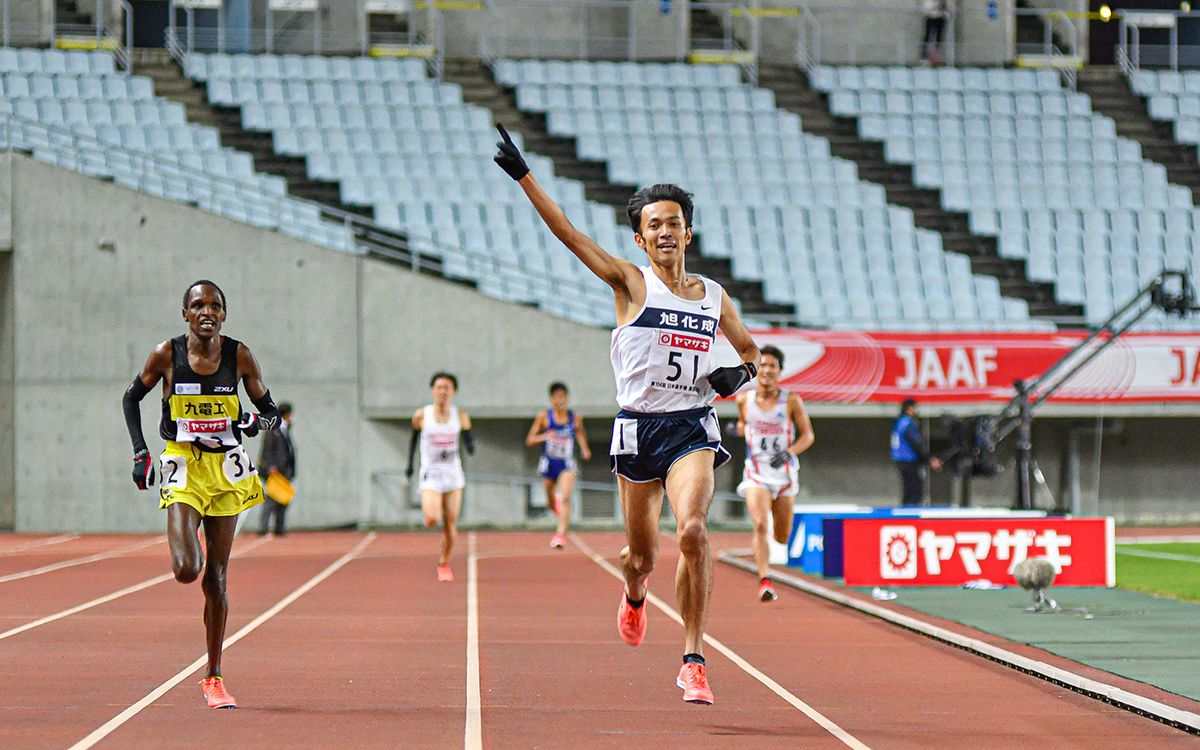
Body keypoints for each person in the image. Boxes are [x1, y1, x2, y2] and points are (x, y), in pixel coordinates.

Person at [494, 125, 761, 705]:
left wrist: (738, 376)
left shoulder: (714, 297)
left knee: (692, 530)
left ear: (689, 231)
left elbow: (750, 353)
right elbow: (569, 234)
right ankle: (635, 589)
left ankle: (693, 659)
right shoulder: (630, 283)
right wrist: (524, 177)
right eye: (653, 225)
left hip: (692, 425)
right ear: (640, 240)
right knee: (643, 555)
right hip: (639, 427)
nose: (664, 232)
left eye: (673, 222)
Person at [122, 280, 281, 710]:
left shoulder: (239, 356)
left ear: (224, 314)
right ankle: (186, 544)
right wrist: (141, 452)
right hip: (183, 465)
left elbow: (272, 415)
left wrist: (254, 424)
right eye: (197, 305)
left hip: (226, 469)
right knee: (187, 568)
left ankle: (213, 676)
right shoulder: (165, 354)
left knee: (217, 577)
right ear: (185, 314)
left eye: (214, 305)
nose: (206, 311)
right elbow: (130, 398)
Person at [735, 345, 814, 603]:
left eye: (772, 366)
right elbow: (742, 423)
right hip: (756, 473)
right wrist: (737, 429)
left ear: (780, 371)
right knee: (759, 524)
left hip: (784, 476)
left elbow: (808, 435)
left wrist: (790, 451)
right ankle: (764, 580)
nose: (767, 370)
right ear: (756, 369)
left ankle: (773, 552)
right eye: (763, 365)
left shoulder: (790, 400)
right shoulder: (743, 399)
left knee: (781, 536)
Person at [407, 372, 474, 582]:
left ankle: (443, 562)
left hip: (453, 475)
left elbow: (468, 438)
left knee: (451, 524)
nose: (443, 391)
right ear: (432, 390)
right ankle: (430, 515)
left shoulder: (460, 415)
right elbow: (413, 440)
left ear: (453, 391)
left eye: (447, 387)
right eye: (439, 387)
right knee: (433, 517)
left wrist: (470, 443)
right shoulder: (421, 415)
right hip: (432, 474)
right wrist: (409, 465)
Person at [525, 382, 592, 549]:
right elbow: (530, 439)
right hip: (548, 462)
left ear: (567, 399)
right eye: (556, 397)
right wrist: (545, 436)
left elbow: (580, 432)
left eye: (563, 397)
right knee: (549, 497)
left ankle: (560, 535)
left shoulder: (574, 417)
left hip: (566, 463)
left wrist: (584, 448)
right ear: (551, 399)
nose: (560, 401)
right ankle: (553, 503)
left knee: (566, 497)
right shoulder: (544, 417)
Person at [892, 398, 941, 506]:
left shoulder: (899, 422)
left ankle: (905, 511)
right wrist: (929, 458)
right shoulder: (907, 424)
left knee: (908, 489)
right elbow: (916, 444)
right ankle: (910, 515)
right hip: (908, 460)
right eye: (914, 408)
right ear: (909, 409)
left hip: (900, 460)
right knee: (915, 490)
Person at [257, 402, 296, 536]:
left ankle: (279, 528)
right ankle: (263, 528)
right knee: (271, 500)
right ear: (287, 414)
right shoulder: (274, 429)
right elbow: (268, 448)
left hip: (285, 471)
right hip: (275, 471)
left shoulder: (286, 429)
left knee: (283, 499)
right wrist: (269, 467)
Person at [921, 0, 952, 65]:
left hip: (941, 17)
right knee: (928, 36)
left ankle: (937, 57)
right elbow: (926, 7)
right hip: (931, 17)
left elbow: (949, 6)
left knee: (939, 38)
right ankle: (924, 57)